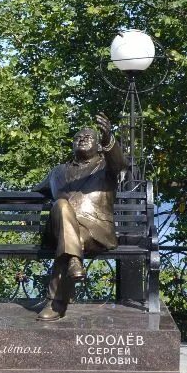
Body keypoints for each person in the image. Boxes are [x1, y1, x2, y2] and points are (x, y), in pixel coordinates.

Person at [33, 113, 128, 321]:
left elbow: (120, 163)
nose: (82, 139)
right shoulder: (57, 172)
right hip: (59, 228)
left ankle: (56, 302)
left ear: (99, 145)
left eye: (89, 137)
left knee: (69, 241)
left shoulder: (107, 168)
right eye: (78, 137)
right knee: (62, 206)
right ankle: (75, 261)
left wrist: (108, 138)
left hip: (95, 231)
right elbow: (32, 194)